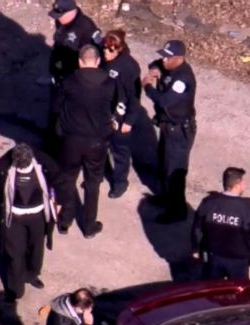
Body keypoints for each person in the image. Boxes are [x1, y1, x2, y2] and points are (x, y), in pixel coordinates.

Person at [53, 44, 119, 238]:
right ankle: (89, 225)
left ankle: (65, 220)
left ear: (80, 62)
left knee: (68, 178)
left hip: (72, 138)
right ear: (98, 61)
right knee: (92, 181)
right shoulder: (109, 84)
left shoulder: (70, 81)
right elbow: (114, 106)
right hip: (97, 140)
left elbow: (57, 105)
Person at [0, 144, 61, 301]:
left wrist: (60, 203)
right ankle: (15, 289)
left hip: (38, 215)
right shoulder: (3, 166)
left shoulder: (44, 163)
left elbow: (61, 182)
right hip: (14, 216)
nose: (22, 168)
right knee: (15, 254)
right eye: (19, 166)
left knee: (36, 250)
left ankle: (31, 274)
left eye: (25, 165)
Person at [143, 39, 197, 224]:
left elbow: (165, 101)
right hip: (168, 127)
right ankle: (166, 199)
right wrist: (154, 69)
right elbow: (155, 64)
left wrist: (148, 87)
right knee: (164, 166)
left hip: (179, 132)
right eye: (163, 57)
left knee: (175, 173)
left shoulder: (183, 78)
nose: (164, 61)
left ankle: (177, 211)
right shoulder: (168, 66)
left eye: (168, 58)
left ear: (179, 58)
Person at [191, 167, 250, 280]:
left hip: (213, 257)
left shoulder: (208, 203)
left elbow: (197, 228)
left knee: (213, 290)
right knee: (238, 291)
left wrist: (195, 249)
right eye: (243, 182)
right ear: (237, 185)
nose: (245, 185)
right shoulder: (249, 210)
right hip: (238, 261)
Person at [100, 29, 141, 199]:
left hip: (120, 115)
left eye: (110, 50)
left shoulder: (128, 68)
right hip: (104, 111)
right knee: (99, 146)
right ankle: (99, 174)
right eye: (104, 48)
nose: (106, 53)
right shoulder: (105, 61)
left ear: (119, 49)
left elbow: (134, 97)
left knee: (119, 151)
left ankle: (120, 183)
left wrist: (129, 121)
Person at [48, 0, 102, 86]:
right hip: (60, 62)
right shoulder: (61, 21)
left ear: (71, 12)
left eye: (60, 15)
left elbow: (93, 55)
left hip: (74, 74)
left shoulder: (86, 27)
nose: (57, 18)